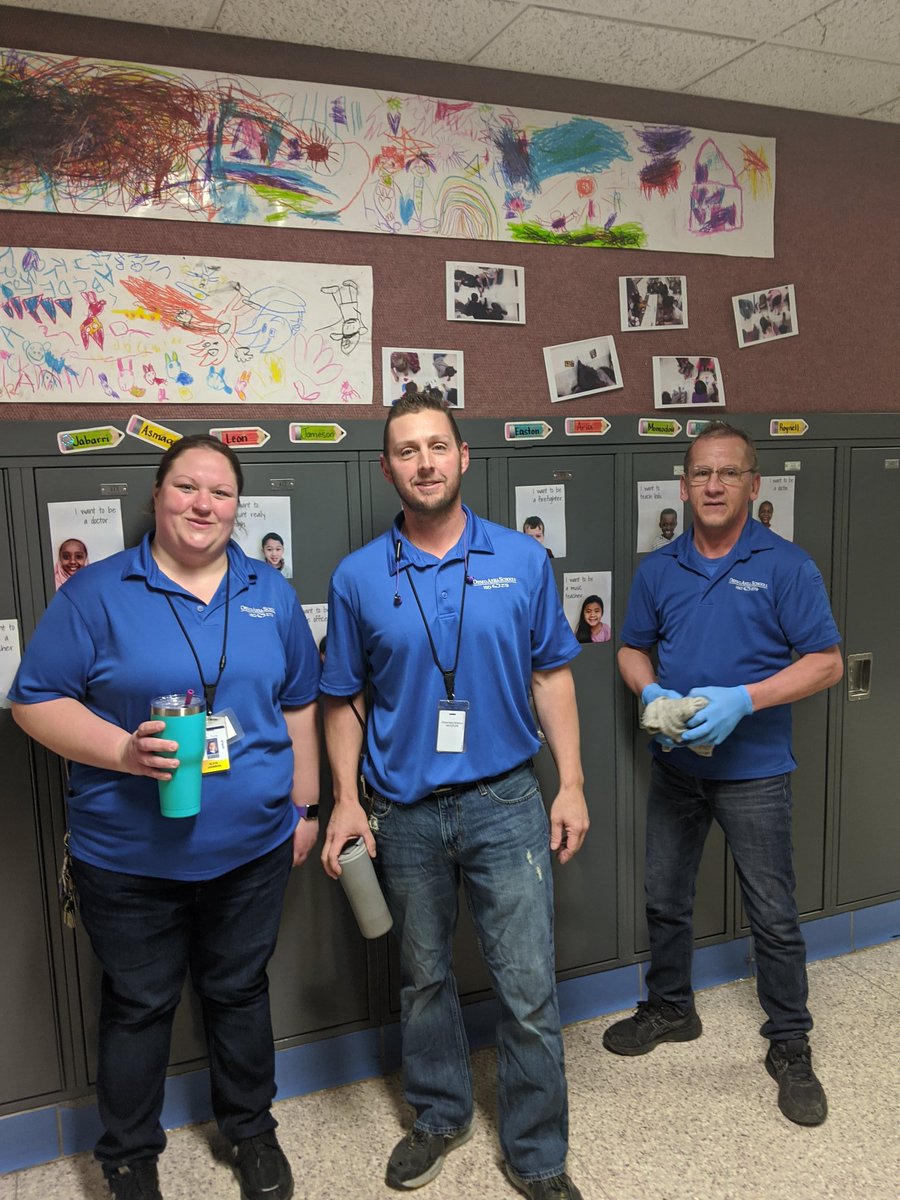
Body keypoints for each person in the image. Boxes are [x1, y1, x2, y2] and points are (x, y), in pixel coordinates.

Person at [9, 434, 321, 1200]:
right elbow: (33, 701)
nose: (202, 504)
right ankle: (128, 1155)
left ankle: (251, 1131)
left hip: (252, 851)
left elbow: (300, 702)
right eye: (187, 487)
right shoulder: (97, 592)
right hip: (128, 859)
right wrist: (122, 752)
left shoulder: (269, 591)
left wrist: (306, 808)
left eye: (219, 492)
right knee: (139, 1005)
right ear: (158, 495)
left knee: (240, 992)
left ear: (235, 507)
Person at [319, 393, 589, 1199]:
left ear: (464, 458)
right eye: (407, 450)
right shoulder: (359, 576)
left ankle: (537, 1154)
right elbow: (340, 697)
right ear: (387, 467)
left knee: (529, 987)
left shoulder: (522, 560)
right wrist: (343, 799)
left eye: (438, 446)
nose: (425, 462)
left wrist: (570, 783)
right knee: (425, 978)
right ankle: (439, 1115)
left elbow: (553, 675)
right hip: (400, 813)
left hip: (506, 802)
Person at [605, 420, 842, 1128]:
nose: (713, 485)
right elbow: (630, 650)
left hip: (756, 772)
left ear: (752, 485)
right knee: (664, 897)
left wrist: (746, 700)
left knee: (772, 913)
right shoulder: (658, 570)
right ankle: (672, 1007)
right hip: (677, 768)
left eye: (728, 473)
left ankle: (790, 1045)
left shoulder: (787, 566)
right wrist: (649, 693)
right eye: (701, 474)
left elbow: (826, 662)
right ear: (682, 486)